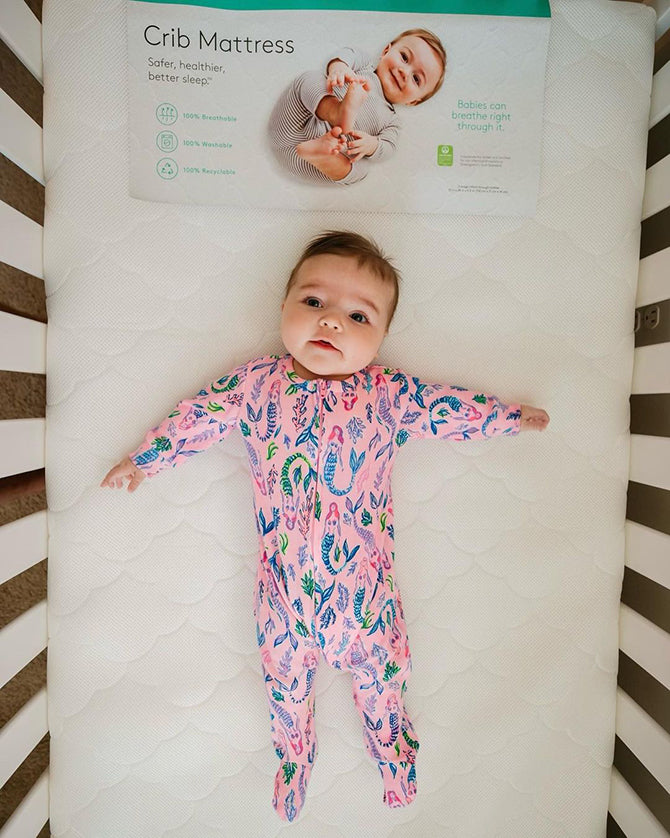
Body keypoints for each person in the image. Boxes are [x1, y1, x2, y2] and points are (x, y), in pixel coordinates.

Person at [101, 231, 550, 822]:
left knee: (384, 681)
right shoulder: (255, 385)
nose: (332, 322)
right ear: (284, 307)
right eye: (314, 303)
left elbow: (450, 408)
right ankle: (295, 758)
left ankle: (395, 757)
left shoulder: (388, 393)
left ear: (381, 337)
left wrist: (509, 418)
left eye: (357, 315)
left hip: (366, 596)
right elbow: (197, 418)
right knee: (284, 690)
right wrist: (145, 460)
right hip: (285, 596)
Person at [268, 29, 446, 185]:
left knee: (362, 171)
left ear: (413, 101)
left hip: (313, 162)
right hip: (295, 124)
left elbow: (389, 147)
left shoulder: (392, 121)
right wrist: (339, 68)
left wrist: (373, 145)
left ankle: (323, 153)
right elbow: (346, 54)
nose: (404, 72)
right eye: (404, 57)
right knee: (310, 79)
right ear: (386, 51)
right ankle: (336, 112)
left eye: (416, 79)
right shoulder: (364, 66)